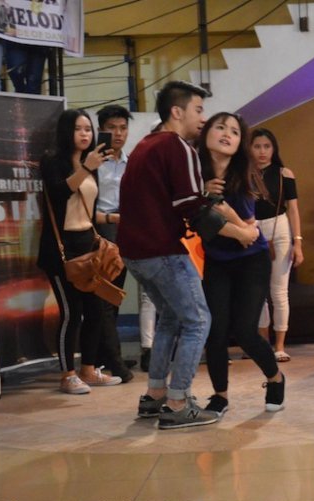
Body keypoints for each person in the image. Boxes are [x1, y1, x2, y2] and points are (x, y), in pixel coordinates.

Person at [118, 81, 258, 430]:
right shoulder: (177, 146)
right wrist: (242, 233)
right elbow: (193, 210)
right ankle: (178, 403)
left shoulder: (145, 145)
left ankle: (154, 395)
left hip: (135, 253)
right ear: (177, 112)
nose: (203, 118)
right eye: (198, 110)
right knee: (198, 321)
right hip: (162, 250)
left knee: (170, 318)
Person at [198, 112, 286, 416]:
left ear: (239, 144)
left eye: (234, 131)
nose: (227, 134)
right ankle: (220, 396)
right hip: (216, 260)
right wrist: (204, 195)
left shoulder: (243, 175)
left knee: (245, 331)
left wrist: (221, 208)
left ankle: (275, 378)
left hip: (252, 260)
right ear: (206, 134)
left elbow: (249, 233)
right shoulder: (194, 173)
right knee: (216, 332)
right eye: (220, 127)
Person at [37, 109, 122, 394]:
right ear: (66, 131)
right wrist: (86, 168)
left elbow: (87, 210)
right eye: (78, 129)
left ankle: (89, 369)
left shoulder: (91, 163)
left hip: (88, 243)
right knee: (71, 313)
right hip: (61, 247)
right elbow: (59, 194)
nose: (85, 134)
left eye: (88, 129)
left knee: (96, 311)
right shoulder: (52, 160)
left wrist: (113, 218)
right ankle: (68, 375)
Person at [251, 128, 303, 362]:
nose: (262, 151)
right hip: (251, 230)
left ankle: (280, 346)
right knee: (257, 291)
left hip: (279, 228)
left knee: (279, 290)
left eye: (267, 146)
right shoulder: (243, 175)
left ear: (274, 149)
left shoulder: (284, 174)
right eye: (257, 146)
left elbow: (293, 210)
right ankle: (263, 344)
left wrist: (298, 242)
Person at [92, 104, 134, 383]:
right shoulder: (94, 163)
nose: (118, 133)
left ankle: (105, 355)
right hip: (102, 229)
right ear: (101, 130)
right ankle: (115, 362)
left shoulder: (131, 162)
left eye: (122, 128)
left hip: (127, 229)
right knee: (104, 298)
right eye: (112, 128)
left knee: (115, 295)